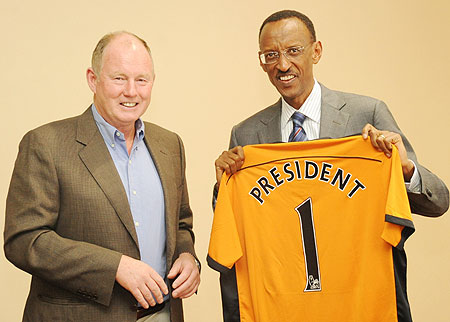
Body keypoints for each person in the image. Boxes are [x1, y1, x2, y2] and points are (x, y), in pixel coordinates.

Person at [212, 10, 449, 322]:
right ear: (261, 61)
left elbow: (439, 201)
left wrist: (404, 169)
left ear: (316, 51)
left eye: (293, 51)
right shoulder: (246, 133)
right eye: (271, 55)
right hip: (286, 305)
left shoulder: (367, 113)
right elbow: (238, 222)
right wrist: (222, 187)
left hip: (357, 303)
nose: (282, 65)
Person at [4, 31, 200, 322]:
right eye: (119, 78)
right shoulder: (46, 144)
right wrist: (115, 267)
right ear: (93, 79)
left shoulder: (170, 145)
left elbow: (181, 223)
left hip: (163, 314)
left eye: (142, 80)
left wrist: (187, 257)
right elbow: (24, 240)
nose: (132, 91)